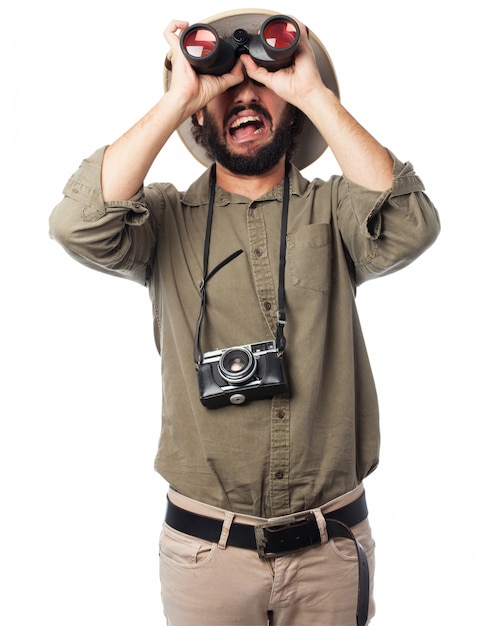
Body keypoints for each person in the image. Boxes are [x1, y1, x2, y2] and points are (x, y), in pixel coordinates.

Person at [49, 9, 440, 626]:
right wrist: (182, 94)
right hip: (206, 552)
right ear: (201, 116)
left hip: (329, 546)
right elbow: (78, 224)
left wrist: (310, 90)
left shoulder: (336, 208)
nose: (244, 96)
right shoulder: (163, 221)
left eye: (262, 80)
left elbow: (410, 226)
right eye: (226, 89)